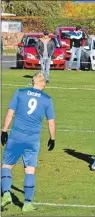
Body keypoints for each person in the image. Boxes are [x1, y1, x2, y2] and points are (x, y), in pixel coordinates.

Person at [1, 72, 56, 212]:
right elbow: (51, 122)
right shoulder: (47, 99)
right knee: (29, 170)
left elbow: (9, 113)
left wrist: (4, 130)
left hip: (16, 136)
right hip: (32, 140)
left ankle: (6, 193)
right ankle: (27, 204)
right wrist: (52, 138)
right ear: (42, 83)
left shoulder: (19, 93)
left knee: (6, 166)